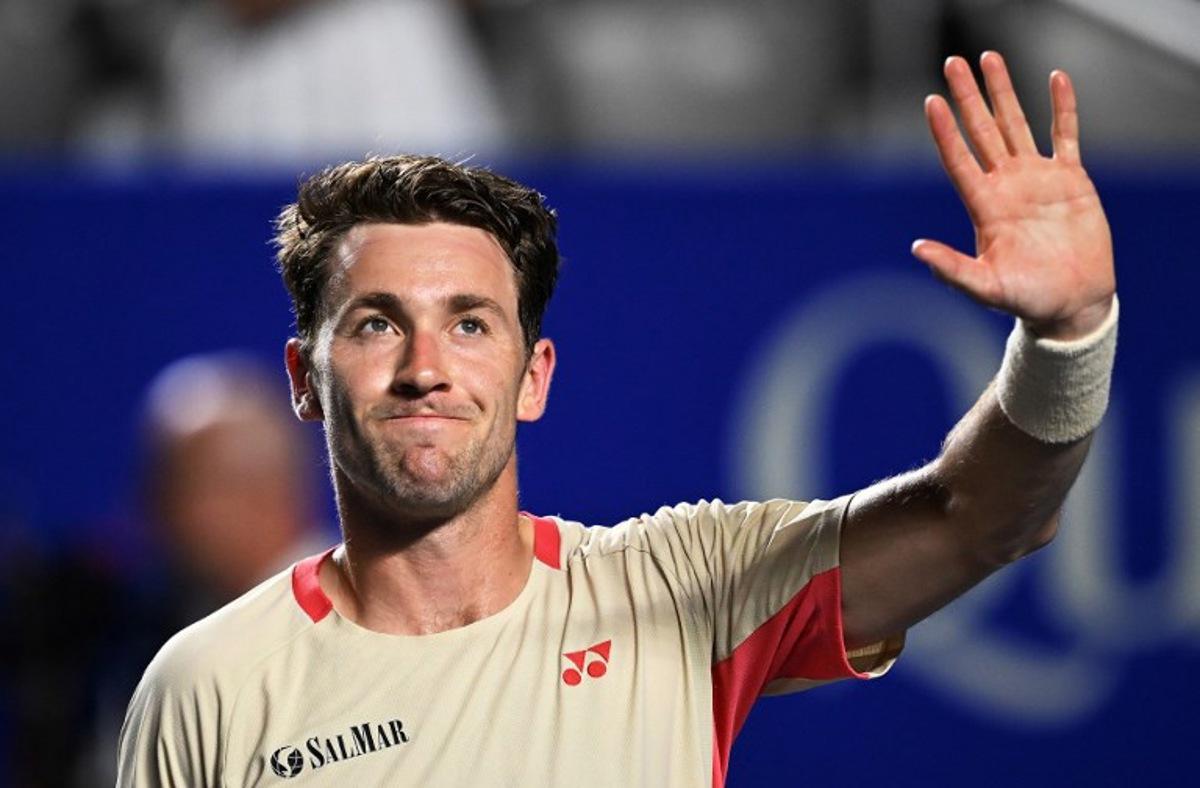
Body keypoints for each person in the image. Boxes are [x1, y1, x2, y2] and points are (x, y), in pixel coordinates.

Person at [116, 52, 1117, 786]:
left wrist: (1069, 337)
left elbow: (980, 516)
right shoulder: (208, 686)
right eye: (379, 324)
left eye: (470, 323)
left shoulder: (686, 588)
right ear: (306, 375)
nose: (427, 368)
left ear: (533, 374)